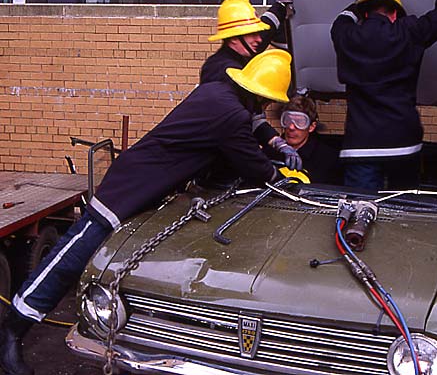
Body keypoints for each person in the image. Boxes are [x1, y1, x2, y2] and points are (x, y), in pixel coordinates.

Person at [0, 49, 293, 375]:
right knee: (71, 257)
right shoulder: (231, 114)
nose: (266, 109)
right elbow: (251, 163)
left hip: (149, 193)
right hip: (130, 187)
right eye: (266, 102)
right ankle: (13, 330)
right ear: (256, 95)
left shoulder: (217, 90)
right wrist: (280, 176)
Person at [330, 0, 437, 191]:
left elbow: (340, 21)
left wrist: (359, 0)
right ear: (395, 14)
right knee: (403, 217)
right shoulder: (408, 31)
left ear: (365, 13)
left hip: (360, 145)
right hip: (403, 142)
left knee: (360, 214)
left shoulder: (347, 35)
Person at [199, 0, 302, 171]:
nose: (259, 40)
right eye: (253, 35)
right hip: (218, 159)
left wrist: (280, 5)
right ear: (233, 38)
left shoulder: (244, 53)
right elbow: (238, 127)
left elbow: (267, 30)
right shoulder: (221, 71)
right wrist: (267, 171)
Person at [271, 95, 342, 184]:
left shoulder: (328, 159)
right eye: (287, 120)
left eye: (300, 122)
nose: (291, 127)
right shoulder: (269, 153)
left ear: (311, 127)